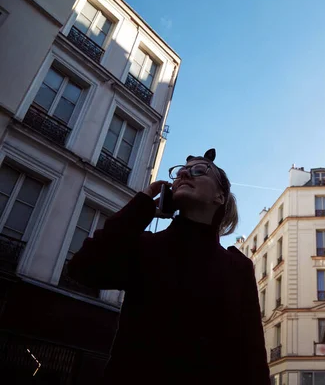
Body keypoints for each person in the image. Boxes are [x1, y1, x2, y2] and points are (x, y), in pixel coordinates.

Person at [67, 149, 270, 384]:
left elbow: (252, 355)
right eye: (181, 171)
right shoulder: (145, 246)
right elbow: (82, 268)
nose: (184, 173)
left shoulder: (238, 267)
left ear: (220, 197)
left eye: (199, 170)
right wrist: (140, 208)